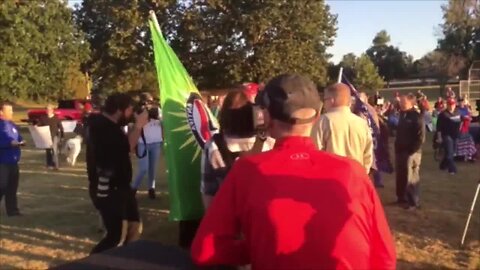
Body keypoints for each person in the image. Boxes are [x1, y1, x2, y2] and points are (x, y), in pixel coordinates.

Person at [191, 74, 396, 269]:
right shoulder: (353, 171)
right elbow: (384, 256)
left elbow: (205, 249)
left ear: (267, 117)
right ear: (317, 117)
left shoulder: (247, 171)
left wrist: (260, 247)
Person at [86, 93, 149, 254]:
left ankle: (124, 260)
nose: (130, 114)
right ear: (119, 110)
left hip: (121, 187)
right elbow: (127, 147)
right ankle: (93, 263)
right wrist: (139, 126)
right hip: (108, 189)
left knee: (134, 226)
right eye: (129, 110)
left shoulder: (110, 126)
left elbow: (126, 148)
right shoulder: (101, 127)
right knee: (116, 237)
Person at [201, 89, 274, 209]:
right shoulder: (269, 141)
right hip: (262, 212)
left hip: (228, 212)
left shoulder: (213, 145)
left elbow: (209, 190)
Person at [312, 83, 373, 173]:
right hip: (356, 177)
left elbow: (315, 153)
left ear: (332, 100)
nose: (324, 103)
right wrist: (363, 173)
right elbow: (368, 155)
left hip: (332, 178)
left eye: (324, 100)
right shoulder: (362, 123)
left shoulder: (322, 122)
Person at [395, 94, 425, 210]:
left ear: (411, 103)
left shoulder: (416, 117)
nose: (401, 104)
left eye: (404, 102)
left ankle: (413, 202)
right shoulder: (402, 115)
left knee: (411, 177)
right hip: (400, 151)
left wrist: (412, 151)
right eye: (401, 102)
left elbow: (421, 137)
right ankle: (401, 198)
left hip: (411, 152)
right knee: (401, 175)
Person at [131, 93, 163, 199]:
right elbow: (139, 124)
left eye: (150, 101)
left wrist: (157, 116)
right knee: (143, 168)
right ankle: (133, 188)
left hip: (156, 142)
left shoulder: (157, 110)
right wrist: (146, 113)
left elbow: (163, 122)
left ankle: (151, 188)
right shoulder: (138, 111)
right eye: (147, 102)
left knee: (152, 168)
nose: (149, 104)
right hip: (143, 143)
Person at [0, 101, 25, 217]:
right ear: (1, 112)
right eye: (9, 110)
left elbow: (17, 136)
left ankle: (13, 210)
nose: (12, 112)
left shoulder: (11, 124)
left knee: (12, 187)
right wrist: (10, 142)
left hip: (13, 161)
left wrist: (21, 140)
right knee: (2, 186)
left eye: (12, 110)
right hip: (2, 162)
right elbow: (4, 139)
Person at [436, 98, 462, 175]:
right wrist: (439, 137)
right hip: (446, 136)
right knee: (449, 152)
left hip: (455, 135)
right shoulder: (443, 115)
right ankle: (452, 169)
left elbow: (461, 122)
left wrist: (459, 131)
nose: (451, 106)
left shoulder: (458, 113)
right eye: (449, 104)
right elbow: (439, 127)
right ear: (447, 105)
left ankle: (442, 166)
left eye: (453, 104)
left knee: (452, 152)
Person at [37, 104, 64, 170]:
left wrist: (62, 136)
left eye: (49, 109)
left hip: (54, 136)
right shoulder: (43, 118)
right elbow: (39, 125)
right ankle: (49, 164)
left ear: (52, 110)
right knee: (48, 151)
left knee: (54, 151)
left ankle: (56, 165)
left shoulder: (56, 118)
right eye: (47, 109)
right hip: (46, 137)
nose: (48, 111)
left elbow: (61, 128)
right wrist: (36, 126)